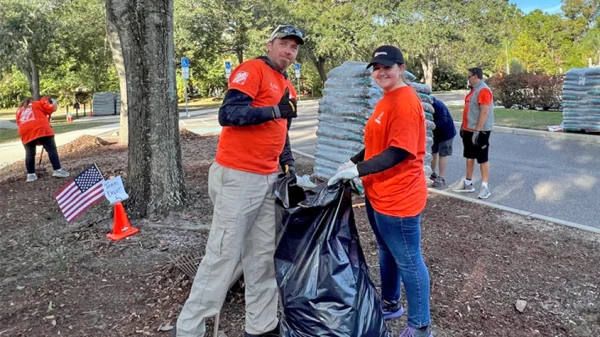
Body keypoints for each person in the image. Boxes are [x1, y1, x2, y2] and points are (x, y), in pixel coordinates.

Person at [173, 25, 304, 337]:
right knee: (223, 254)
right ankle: (189, 328)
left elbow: (280, 132)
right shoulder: (252, 70)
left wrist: (288, 165)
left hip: (268, 177)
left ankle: (261, 325)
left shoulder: (287, 85)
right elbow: (229, 113)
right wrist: (274, 109)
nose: (288, 51)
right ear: (270, 44)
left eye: (294, 48)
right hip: (239, 176)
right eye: (284, 44)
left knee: (262, 256)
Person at [329, 45, 433, 337]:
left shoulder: (405, 102)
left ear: (401, 68)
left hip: (399, 199)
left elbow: (399, 151)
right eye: (376, 68)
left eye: (387, 66)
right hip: (379, 195)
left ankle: (421, 325)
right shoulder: (386, 99)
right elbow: (379, 143)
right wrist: (353, 160)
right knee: (387, 251)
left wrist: (358, 171)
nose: (381, 72)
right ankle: (390, 303)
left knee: (410, 261)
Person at [453, 67, 494, 199]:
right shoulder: (474, 90)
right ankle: (468, 183)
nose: (468, 79)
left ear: (476, 76)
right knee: (469, 156)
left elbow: (484, 112)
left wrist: (477, 130)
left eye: (469, 76)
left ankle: (485, 187)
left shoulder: (483, 90)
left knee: (482, 158)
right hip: (468, 129)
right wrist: (464, 127)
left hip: (480, 131)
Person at [15, 96, 70, 182]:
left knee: (29, 153)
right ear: (32, 100)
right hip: (41, 128)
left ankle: (31, 175)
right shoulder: (37, 103)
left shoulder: (19, 111)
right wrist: (53, 102)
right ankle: (57, 170)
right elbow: (51, 108)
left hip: (24, 131)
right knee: (51, 149)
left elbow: (19, 122)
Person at [429, 96, 456, 187]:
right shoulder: (425, 107)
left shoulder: (438, 106)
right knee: (433, 152)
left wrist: (430, 124)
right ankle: (432, 174)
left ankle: (441, 178)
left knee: (442, 154)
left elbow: (443, 121)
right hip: (435, 133)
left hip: (446, 133)